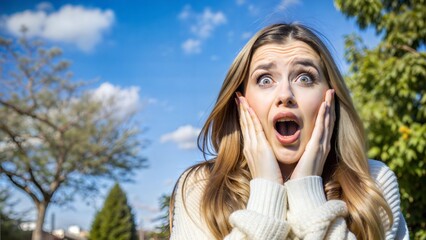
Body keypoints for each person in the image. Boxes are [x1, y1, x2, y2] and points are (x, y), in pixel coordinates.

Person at [169, 23, 409, 239]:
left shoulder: (372, 184)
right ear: (241, 103)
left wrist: (307, 192)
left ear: (331, 99)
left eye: (305, 78)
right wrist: (266, 191)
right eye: (265, 80)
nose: (285, 95)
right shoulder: (201, 188)